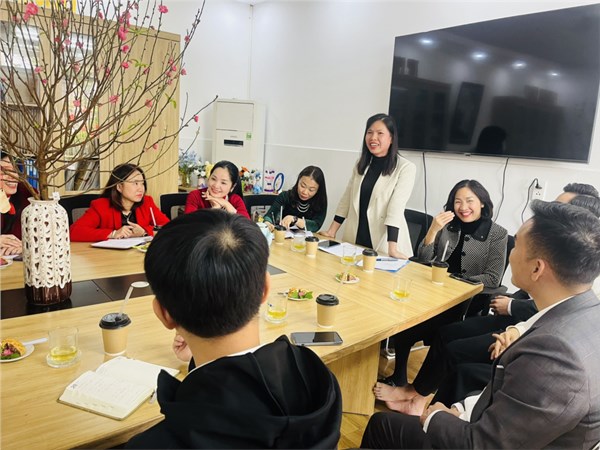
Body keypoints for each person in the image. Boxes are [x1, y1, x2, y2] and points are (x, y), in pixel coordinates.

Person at [361, 200, 600, 449]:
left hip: (480, 439)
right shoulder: (587, 313)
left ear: (537, 268)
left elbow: (484, 444)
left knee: (381, 424)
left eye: (517, 246)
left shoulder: (556, 357)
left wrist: (436, 416)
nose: (511, 254)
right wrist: (461, 409)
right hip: (490, 421)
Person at [126, 210, 342, 448]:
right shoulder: (320, 383)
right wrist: (198, 362)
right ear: (265, 290)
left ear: (164, 314)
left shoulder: (151, 444)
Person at [374, 179, 507, 413]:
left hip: (465, 303)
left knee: (433, 329)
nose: (463, 207)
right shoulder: (447, 225)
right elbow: (423, 259)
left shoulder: (497, 234)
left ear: (482, 204)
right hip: (431, 293)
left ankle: (417, 393)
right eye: (457, 201)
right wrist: (433, 231)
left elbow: (493, 277)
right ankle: (399, 376)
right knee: (403, 319)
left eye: (469, 201)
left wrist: (454, 281)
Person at [321, 113, 416, 258]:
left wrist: (392, 249)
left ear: (391, 138)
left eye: (380, 133)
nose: (373, 138)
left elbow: (395, 208)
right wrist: (331, 231)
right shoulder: (362, 163)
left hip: (385, 242)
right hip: (356, 238)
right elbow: (347, 198)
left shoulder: (405, 168)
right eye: (369, 132)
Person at [70, 163, 169, 242]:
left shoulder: (147, 202)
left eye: (142, 183)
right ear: (119, 187)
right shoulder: (101, 206)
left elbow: (169, 227)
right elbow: (74, 231)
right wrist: (113, 234)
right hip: (109, 257)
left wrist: (144, 231)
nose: (141, 188)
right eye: (135, 183)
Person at [263, 165, 327, 232]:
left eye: (311, 190)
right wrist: (267, 223)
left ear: (318, 190)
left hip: (306, 238)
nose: (305, 192)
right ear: (298, 181)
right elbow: (269, 215)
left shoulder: (320, 202)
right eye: (302, 186)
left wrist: (295, 220)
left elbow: (316, 225)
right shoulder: (285, 196)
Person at [184, 160, 250, 219]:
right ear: (209, 178)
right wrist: (214, 210)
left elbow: (247, 226)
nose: (216, 185)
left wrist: (226, 204)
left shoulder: (236, 200)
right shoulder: (195, 196)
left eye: (223, 183)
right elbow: (188, 224)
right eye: (213, 179)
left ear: (232, 187)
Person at [0, 151, 31, 256]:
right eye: (5, 171)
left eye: (15, 171)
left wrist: (25, 246)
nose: (13, 176)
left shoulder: (27, 195)